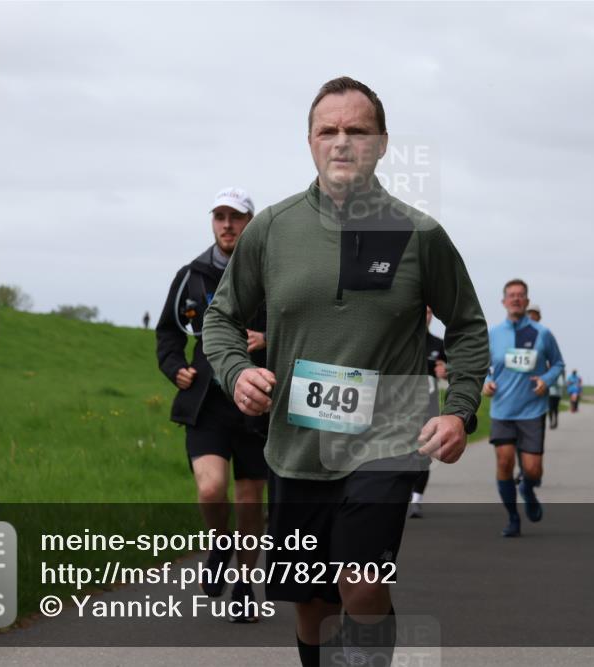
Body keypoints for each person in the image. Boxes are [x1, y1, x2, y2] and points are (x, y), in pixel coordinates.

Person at [203, 77, 489, 667]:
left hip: (388, 438)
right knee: (312, 605)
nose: (342, 142)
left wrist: (460, 411)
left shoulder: (420, 234)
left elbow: (467, 326)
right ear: (308, 142)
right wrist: (236, 373)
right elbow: (221, 319)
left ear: (382, 143)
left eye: (357, 130)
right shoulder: (272, 230)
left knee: (359, 582)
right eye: (327, 131)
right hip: (298, 445)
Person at [155, 187, 268, 623]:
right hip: (206, 402)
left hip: (258, 404)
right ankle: (220, 541)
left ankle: (244, 584)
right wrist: (174, 367)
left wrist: (269, 339)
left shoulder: (270, 272)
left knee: (250, 503)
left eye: (235, 217)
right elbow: (167, 332)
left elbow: (302, 325)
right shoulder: (191, 275)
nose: (227, 224)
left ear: (250, 223)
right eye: (219, 216)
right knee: (209, 489)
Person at [483, 279, 564, 537]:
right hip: (502, 410)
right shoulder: (494, 334)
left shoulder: (542, 333)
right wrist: (486, 383)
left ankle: (527, 489)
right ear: (504, 301)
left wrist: (546, 380)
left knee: (532, 470)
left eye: (521, 295)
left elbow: (558, 364)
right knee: (504, 463)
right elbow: (481, 365)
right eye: (511, 295)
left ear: (527, 302)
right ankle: (512, 518)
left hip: (532, 410)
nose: (516, 299)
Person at [409, 307, 448, 519]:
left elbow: (449, 372)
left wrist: (446, 372)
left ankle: (416, 500)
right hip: (400, 407)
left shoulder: (438, 345)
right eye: (423, 311)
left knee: (422, 455)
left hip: (429, 408)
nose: (426, 316)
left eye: (430, 312)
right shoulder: (400, 339)